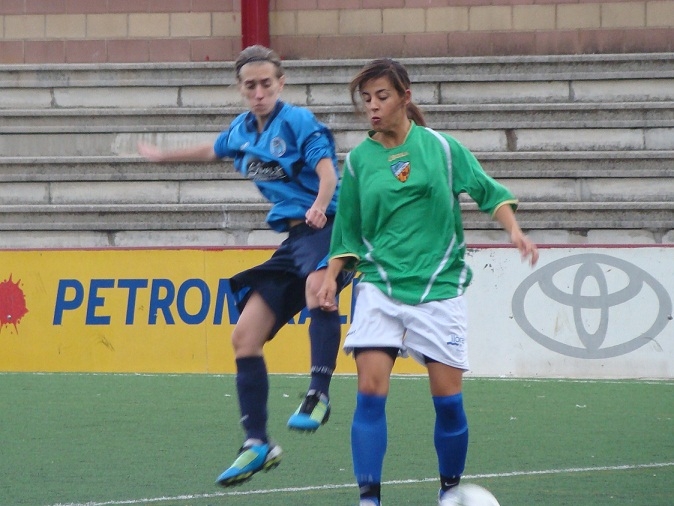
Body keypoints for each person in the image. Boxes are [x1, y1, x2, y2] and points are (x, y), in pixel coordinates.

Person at [317, 58, 539, 506]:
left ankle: (450, 492)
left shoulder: (442, 149)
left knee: (448, 402)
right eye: (366, 99)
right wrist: (330, 276)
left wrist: (513, 229)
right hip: (379, 285)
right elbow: (348, 232)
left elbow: (488, 192)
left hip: (439, 288)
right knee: (370, 390)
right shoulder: (359, 161)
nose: (373, 107)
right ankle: (369, 499)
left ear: (405, 96)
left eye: (382, 96)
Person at [138, 45, 353, 487]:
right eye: (250, 85)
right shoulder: (241, 131)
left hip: (331, 226)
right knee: (244, 336)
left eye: (266, 84)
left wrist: (319, 205)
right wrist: (164, 157)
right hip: (296, 240)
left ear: (281, 84)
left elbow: (329, 172)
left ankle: (318, 395)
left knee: (319, 290)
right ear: (240, 89)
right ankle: (257, 444)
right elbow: (210, 150)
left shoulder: (297, 121)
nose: (259, 92)